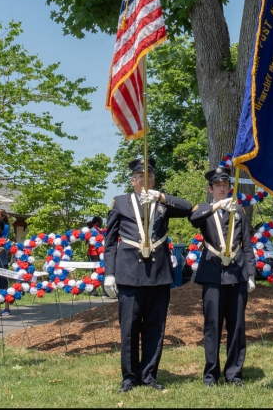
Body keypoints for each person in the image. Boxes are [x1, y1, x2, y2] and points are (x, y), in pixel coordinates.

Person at [103, 157, 192, 394]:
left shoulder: (162, 203)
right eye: (141, 177)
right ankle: (129, 377)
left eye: (150, 176)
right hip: (129, 275)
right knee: (129, 328)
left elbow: (187, 207)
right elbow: (110, 242)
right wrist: (109, 273)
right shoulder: (120, 203)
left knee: (155, 327)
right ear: (133, 181)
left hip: (158, 275)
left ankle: (149, 375)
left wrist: (161, 196)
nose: (146, 180)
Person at [189, 166, 256, 387]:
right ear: (210, 189)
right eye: (217, 186)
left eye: (225, 185)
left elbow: (247, 246)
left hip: (236, 274)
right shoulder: (206, 209)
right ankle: (211, 375)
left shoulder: (239, 211)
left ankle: (234, 373)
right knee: (212, 326)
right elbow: (193, 217)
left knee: (236, 327)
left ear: (229, 187)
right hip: (212, 276)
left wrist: (251, 275)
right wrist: (217, 206)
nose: (221, 189)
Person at [86, 216, 104, 296]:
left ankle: (96, 289)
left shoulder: (97, 229)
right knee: (96, 271)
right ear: (97, 222)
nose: (102, 224)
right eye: (101, 222)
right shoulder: (93, 230)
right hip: (93, 253)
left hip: (98, 253)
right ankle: (92, 289)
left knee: (100, 271)